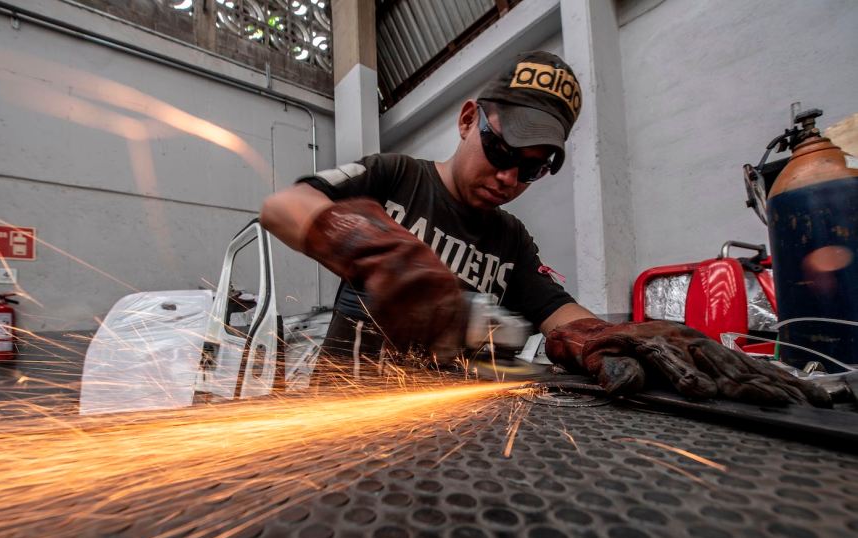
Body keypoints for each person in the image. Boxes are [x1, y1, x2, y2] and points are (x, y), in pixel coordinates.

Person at [261, 51, 828, 407]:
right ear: (468, 120)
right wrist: (371, 247)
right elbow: (285, 205)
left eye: (532, 169)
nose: (509, 178)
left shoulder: (510, 240)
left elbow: (560, 314)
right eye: (501, 151)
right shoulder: (395, 176)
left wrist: (618, 336)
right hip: (342, 404)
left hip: (435, 415)